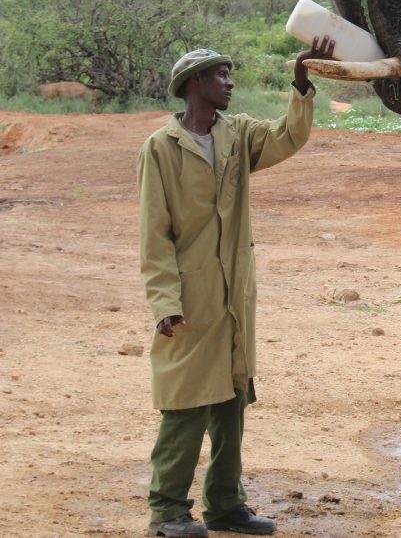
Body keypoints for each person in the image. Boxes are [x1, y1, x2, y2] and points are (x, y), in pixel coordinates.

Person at [138, 36, 335, 537]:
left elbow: (289, 136)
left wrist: (301, 83)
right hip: (190, 298)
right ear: (194, 85)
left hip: (234, 294)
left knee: (230, 399)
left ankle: (225, 505)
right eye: (221, 76)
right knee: (184, 404)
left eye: (230, 75)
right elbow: (154, 234)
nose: (230, 83)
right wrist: (164, 301)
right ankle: (167, 512)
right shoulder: (161, 148)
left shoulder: (238, 135)